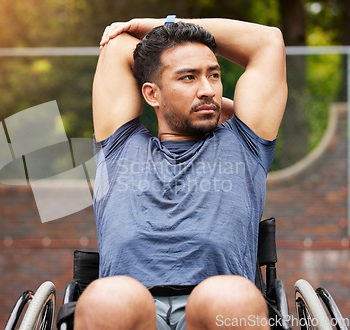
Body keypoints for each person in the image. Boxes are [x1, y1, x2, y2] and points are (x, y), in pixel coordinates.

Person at [75, 17, 287, 329]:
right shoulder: (119, 145)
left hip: (219, 311)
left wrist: (164, 24)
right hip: (129, 312)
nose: (207, 90)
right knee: (110, 297)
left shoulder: (245, 142)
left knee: (226, 295)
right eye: (188, 78)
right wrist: (166, 44)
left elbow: (268, 41)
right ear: (152, 94)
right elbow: (118, 45)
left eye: (213, 76)